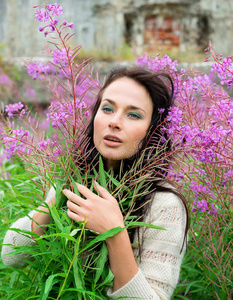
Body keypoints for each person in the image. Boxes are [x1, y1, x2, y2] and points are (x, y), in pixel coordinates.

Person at [1, 66, 189, 300]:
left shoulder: (165, 204)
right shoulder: (73, 182)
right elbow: (10, 256)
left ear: (154, 131)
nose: (114, 122)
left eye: (134, 115)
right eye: (107, 109)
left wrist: (114, 232)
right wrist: (57, 198)